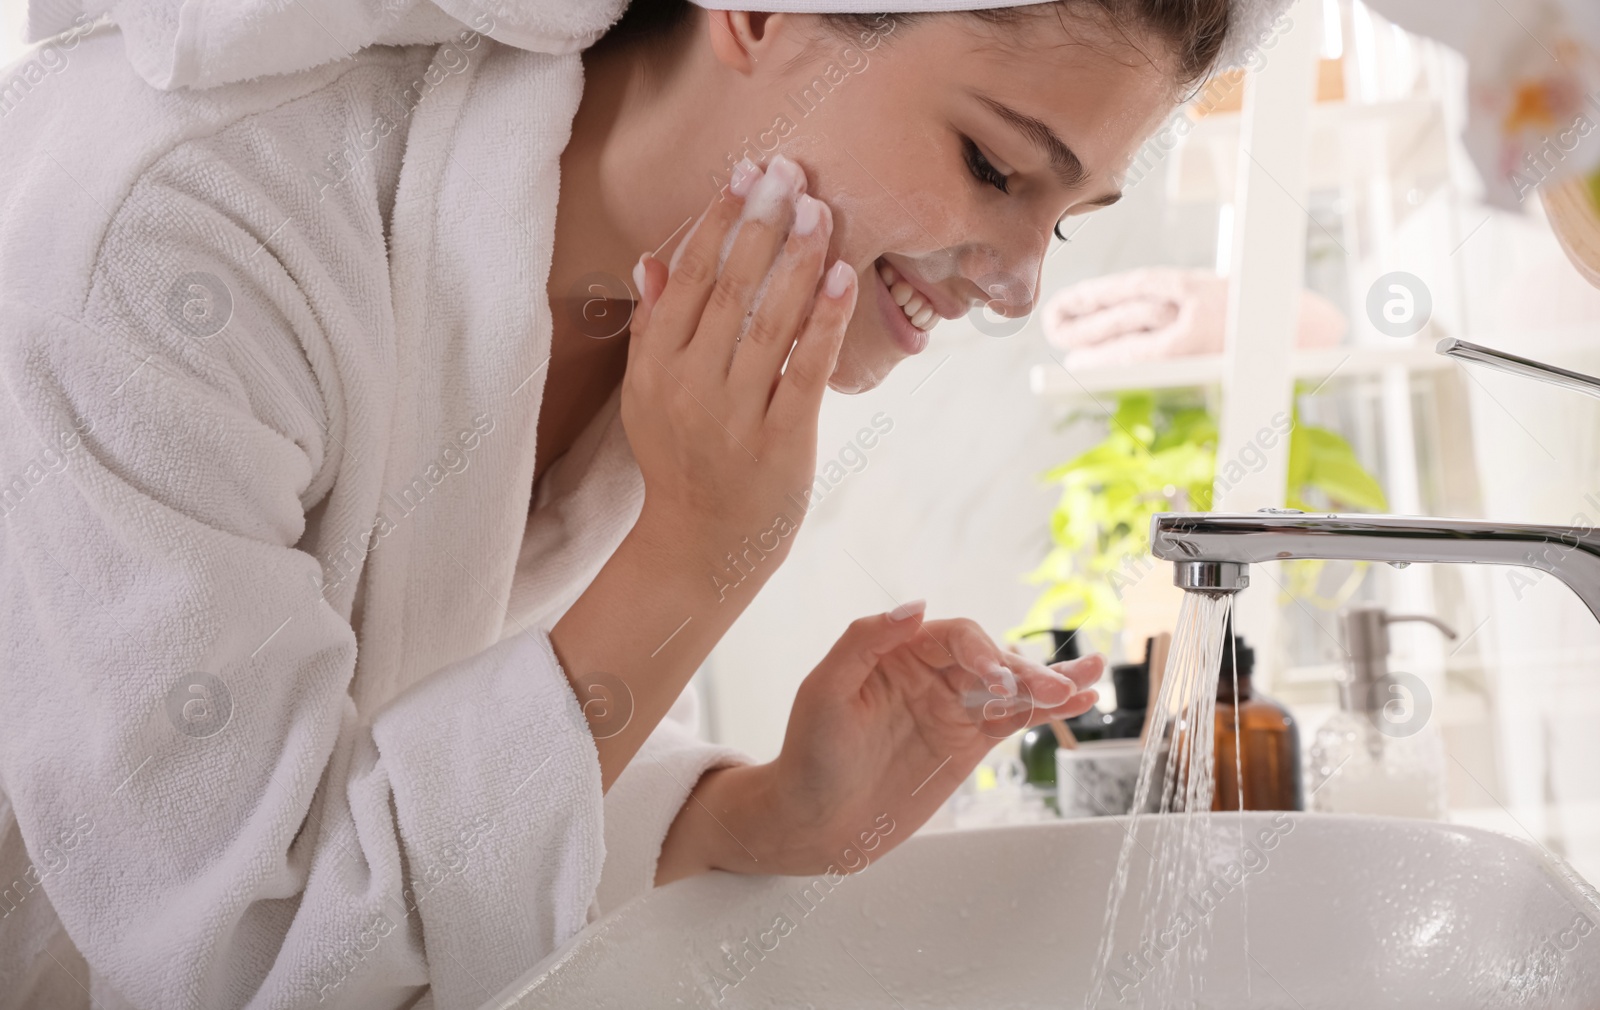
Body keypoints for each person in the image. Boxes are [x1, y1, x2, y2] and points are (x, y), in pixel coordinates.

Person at [0, 0, 1249, 1005]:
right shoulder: (179, 233)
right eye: (996, 165)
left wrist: (738, 816)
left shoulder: (652, 330)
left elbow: (377, 757)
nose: (1021, 284)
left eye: (1066, 224)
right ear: (761, 15)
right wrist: (696, 557)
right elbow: (235, 961)